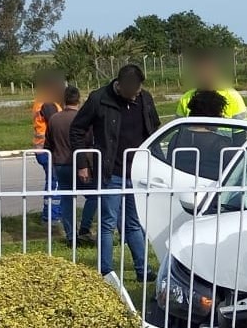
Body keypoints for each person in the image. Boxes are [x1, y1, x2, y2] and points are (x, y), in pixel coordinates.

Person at [69, 64, 160, 281]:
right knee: (108, 224)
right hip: (111, 173)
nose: (134, 97)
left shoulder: (145, 99)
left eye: (137, 92)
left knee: (134, 224)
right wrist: (82, 162)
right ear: (119, 85)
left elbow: (155, 129)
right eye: (131, 93)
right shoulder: (99, 98)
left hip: (138, 174)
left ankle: (143, 270)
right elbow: (77, 130)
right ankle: (106, 272)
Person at [46, 86, 97, 246]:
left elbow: (49, 144)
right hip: (80, 164)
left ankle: (70, 236)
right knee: (95, 196)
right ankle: (85, 227)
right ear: (79, 100)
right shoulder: (83, 118)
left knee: (67, 200)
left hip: (60, 165)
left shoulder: (54, 119)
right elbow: (90, 141)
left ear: (63, 100)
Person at [32, 70, 66, 224]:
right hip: (49, 149)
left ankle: (49, 214)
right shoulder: (48, 103)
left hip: (43, 148)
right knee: (55, 183)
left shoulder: (42, 100)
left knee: (51, 182)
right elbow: (56, 123)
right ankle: (52, 216)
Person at [176, 50, 247, 120]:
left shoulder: (232, 97)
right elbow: (179, 129)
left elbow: (243, 130)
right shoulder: (185, 99)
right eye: (201, 71)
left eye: (208, 70)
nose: (204, 75)